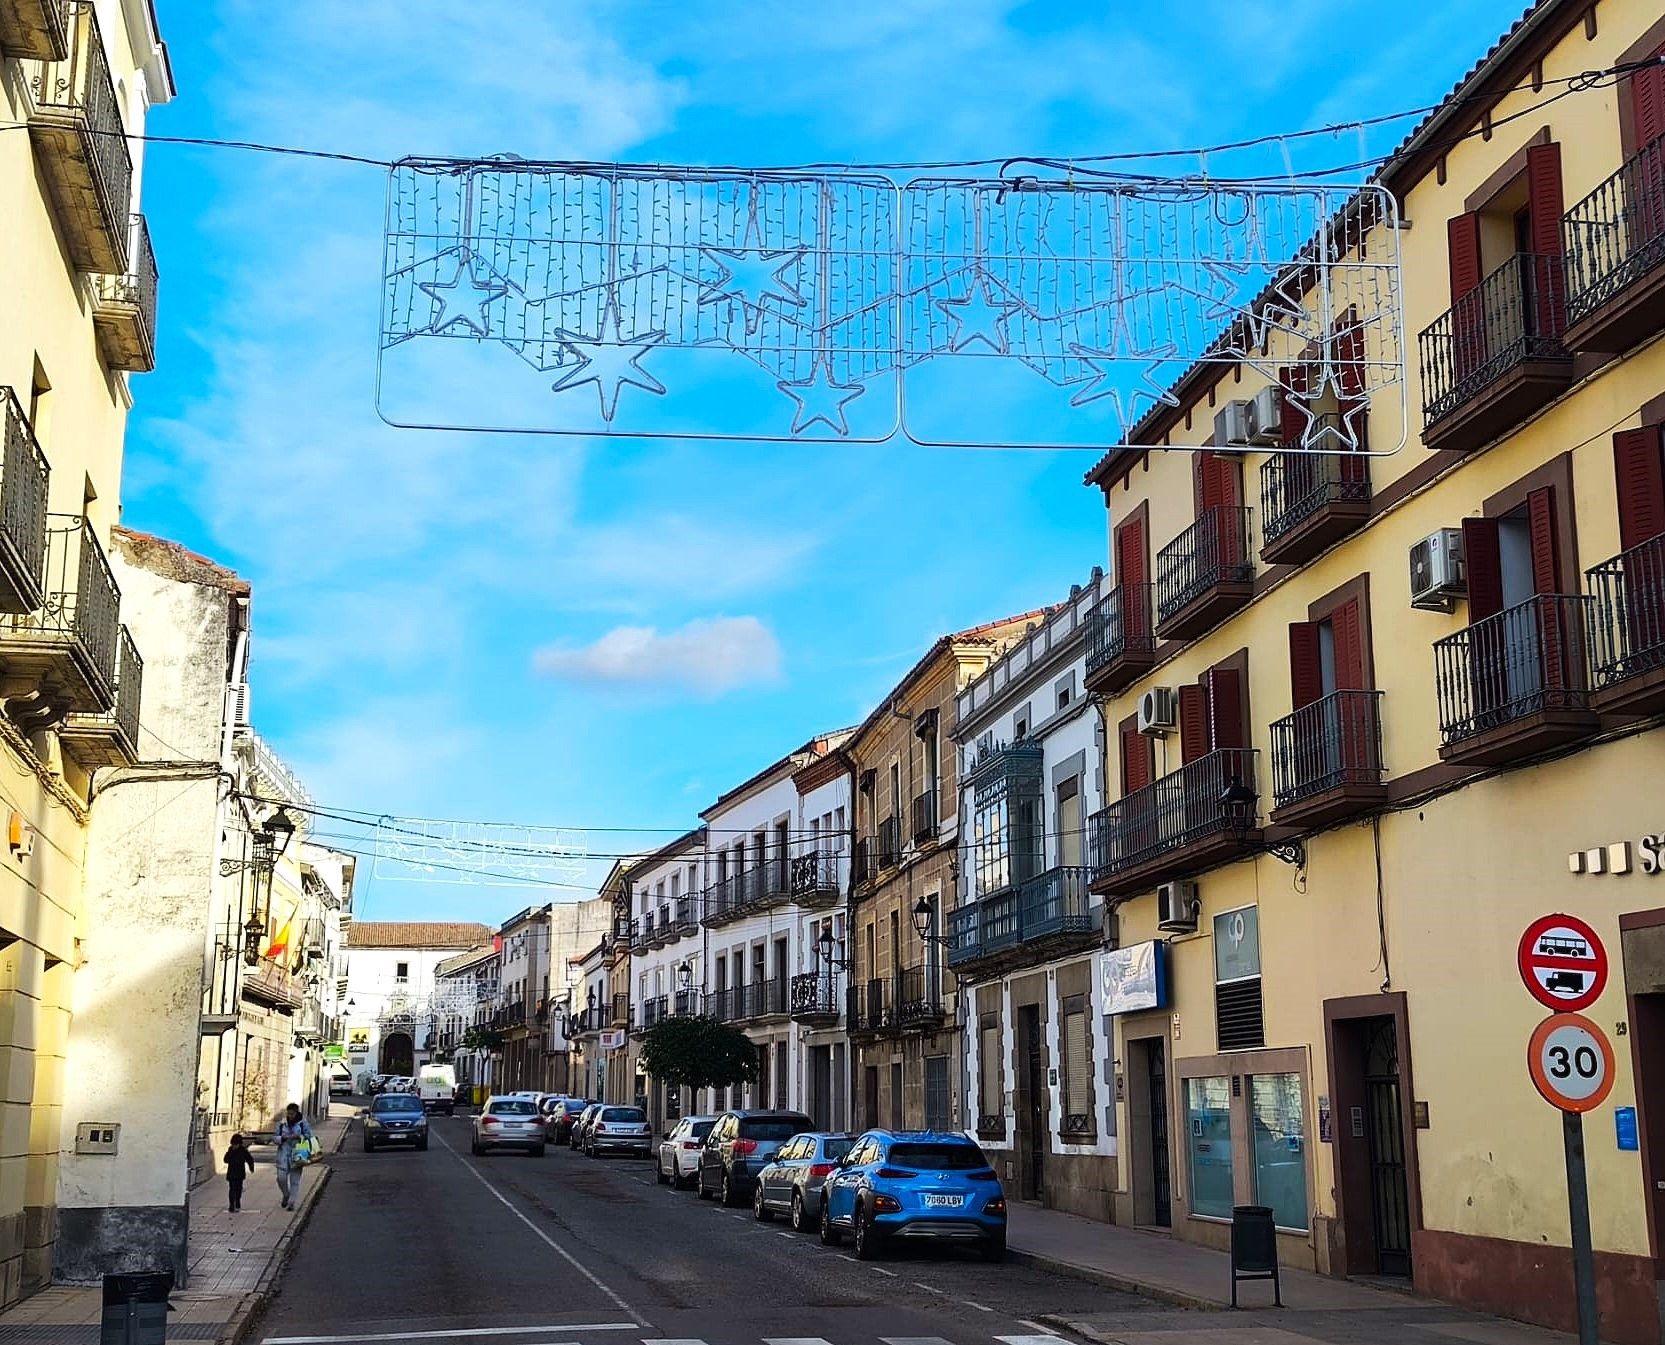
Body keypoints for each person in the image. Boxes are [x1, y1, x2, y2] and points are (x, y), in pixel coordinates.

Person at [274, 1103, 314, 1211]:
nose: (290, 1116)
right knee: (280, 1178)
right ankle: (286, 1195)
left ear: (296, 1113)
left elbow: (310, 1136)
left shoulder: (303, 1123)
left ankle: (291, 1202)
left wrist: (299, 1136)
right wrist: (282, 1138)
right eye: (289, 1113)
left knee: (294, 1181)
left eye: (292, 1114)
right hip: (283, 1155)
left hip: (298, 1154)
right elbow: (275, 1138)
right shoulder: (282, 1123)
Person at [224, 1134, 254, 1212]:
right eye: (233, 1144)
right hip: (231, 1173)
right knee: (232, 1189)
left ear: (239, 1144)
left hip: (240, 1173)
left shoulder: (243, 1150)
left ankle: (237, 1201)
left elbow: (249, 1159)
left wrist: (251, 1167)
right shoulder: (230, 1150)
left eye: (236, 1144)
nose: (234, 1146)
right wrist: (230, 1153)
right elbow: (225, 1160)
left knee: (238, 1189)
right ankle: (231, 1204)